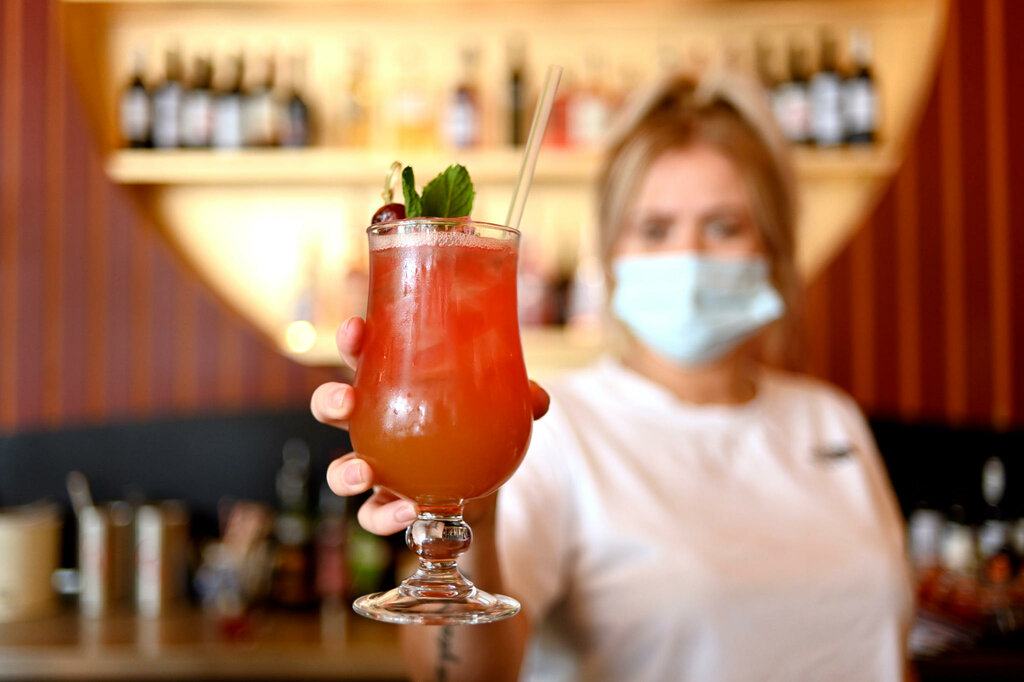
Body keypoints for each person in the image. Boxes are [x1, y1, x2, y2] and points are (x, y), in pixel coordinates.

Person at [311, 70, 914, 681]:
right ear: (612, 254)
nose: (689, 254)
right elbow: (457, 678)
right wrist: (475, 519)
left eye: (724, 227)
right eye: (655, 229)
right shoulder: (553, 429)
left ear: (773, 248)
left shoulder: (830, 419)